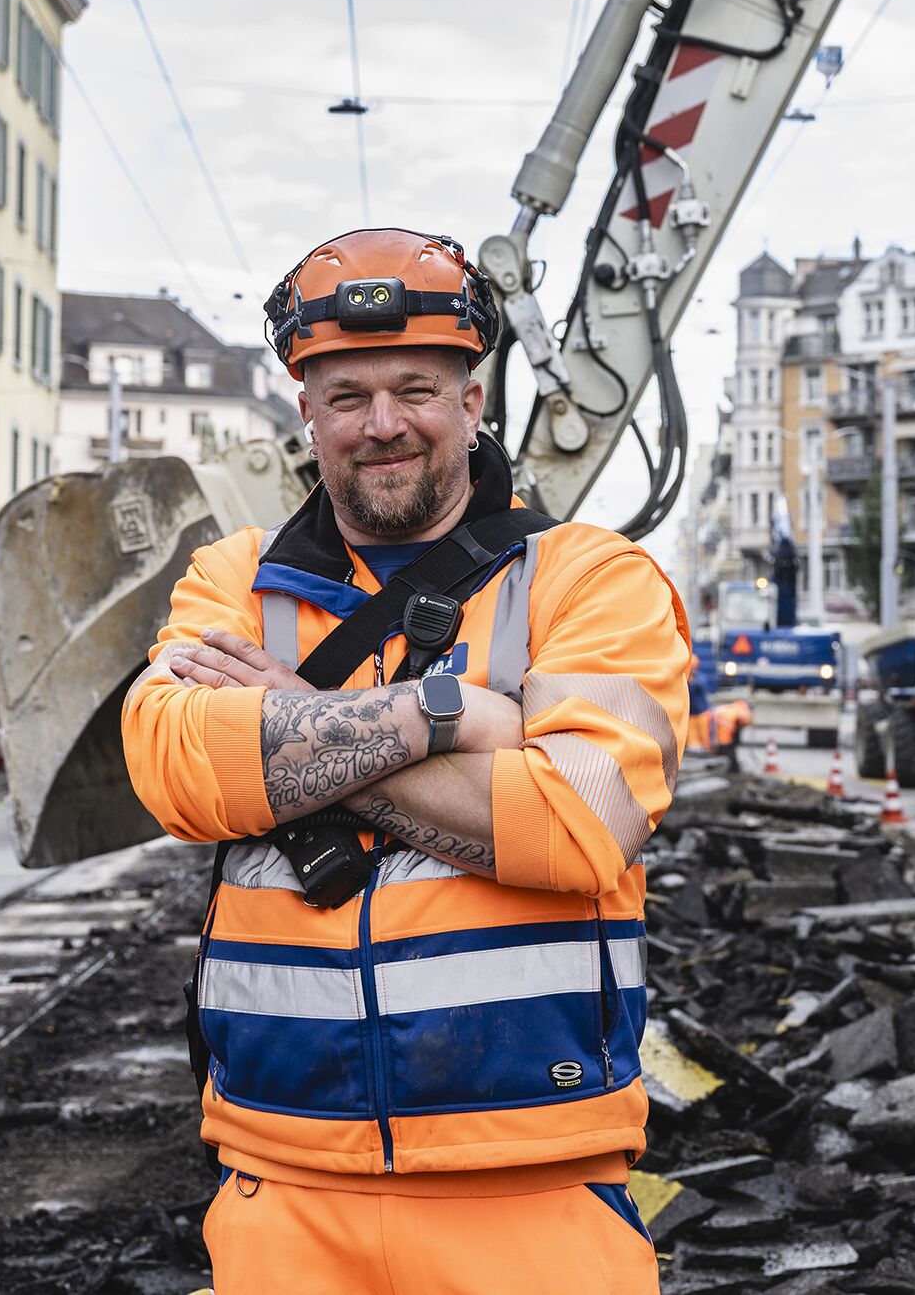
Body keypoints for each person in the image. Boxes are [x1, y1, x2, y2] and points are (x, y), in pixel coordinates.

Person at [123, 228, 685, 1295]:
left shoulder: (588, 579)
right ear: (307, 412)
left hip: (535, 1181)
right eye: (347, 396)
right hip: (281, 1188)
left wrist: (293, 732)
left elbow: (579, 825)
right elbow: (175, 772)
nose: (383, 424)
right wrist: (452, 714)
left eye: (416, 390)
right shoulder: (233, 580)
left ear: (472, 403)